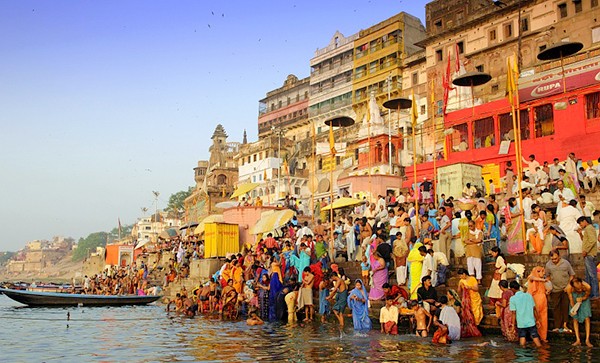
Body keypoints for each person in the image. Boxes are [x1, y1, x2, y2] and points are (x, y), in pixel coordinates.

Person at [546, 250, 575, 333]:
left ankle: (565, 325)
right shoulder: (548, 265)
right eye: (552, 259)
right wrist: (548, 288)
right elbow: (547, 277)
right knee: (556, 308)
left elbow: (572, 275)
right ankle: (557, 326)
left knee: (565, 307)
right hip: (554, 290)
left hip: (565, 289)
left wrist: (569, 285)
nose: (554, 260)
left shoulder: (566, 263)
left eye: (555, 258)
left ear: (559, 256)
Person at [509, 280, 542, 347]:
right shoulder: (528, 296)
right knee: (535, 337)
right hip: (531, 321)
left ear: (512, 289)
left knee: (522, 337)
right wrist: (537, 320)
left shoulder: (513, 299)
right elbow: (534, 309)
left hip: (521, 323)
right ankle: (541, 352)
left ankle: (522, 355)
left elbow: (513, 313)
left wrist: (513, 325)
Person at [566, 277, 594, 347]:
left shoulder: (587, 287)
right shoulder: (569, 289)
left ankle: (587, 339)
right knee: (575, 318)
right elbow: (571, 299)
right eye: (577, 288)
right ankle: (577, 339)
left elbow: (587, 295)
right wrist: (574, 309)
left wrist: (582, 298)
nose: (580, 289)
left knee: (587, 318)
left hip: (584, 299)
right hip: (574, 298)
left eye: (580, 287)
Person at [577, 216, 599, 299]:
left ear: (584, 221)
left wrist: (586, 250)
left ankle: (595, 294)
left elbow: (593, 240)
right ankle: (590, 293)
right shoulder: (587, 229)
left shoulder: (589, 228)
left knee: (592, 275)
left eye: (580, 223)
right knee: (588, 276)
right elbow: (586, 241)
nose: (580, 225)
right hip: (588, 255)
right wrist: (580, 234)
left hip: (589, 255)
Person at [457, 268, 483, 336]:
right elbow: (459, 291)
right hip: (466, 300)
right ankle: (471, 328)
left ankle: (476, 327)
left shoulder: (472, 279)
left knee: (476, 314)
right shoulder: (461, 281)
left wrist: (469, 287)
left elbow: (476, 288)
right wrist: (460, 286)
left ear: (464, 274)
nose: (460, 277)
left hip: (475, 299)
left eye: (460, 275)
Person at [527, 266, 549, 342]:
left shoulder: (542, 282)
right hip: (535, 300)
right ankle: (534, 336)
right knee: (535, 318)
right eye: (542, 271)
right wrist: (543, 280)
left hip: (543, 301)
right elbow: (532, 277)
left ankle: (543, 337)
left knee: (543, 319)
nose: (544, 273)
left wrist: (547, 291)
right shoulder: (532, 278)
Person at [487, 247, 507, 317]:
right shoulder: (499, 258)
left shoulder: (499, 258)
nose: (492, 254)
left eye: (493, 252)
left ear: (496, 252)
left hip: (500, 276)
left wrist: (498, 271)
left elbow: (504, 266)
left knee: (497, 291)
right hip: (499, 276)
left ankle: (498, 309)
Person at [465, 220, 483, 284]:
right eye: (469, 226)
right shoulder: (467, 233)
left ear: (474, 225)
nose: (470, 227)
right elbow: (466, 241)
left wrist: (472, 240)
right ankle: (473, 280)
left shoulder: (479, 232)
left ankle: (479, 280)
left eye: (471, 226)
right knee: (470, 266)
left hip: (477, 252)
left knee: (478, 266)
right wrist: (474, 241)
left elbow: (479, 240)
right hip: (469, 252)